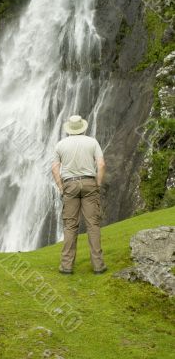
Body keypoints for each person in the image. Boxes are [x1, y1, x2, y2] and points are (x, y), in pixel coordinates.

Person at [52, 115, 107, 275]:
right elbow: (101, 164)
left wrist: (61, 186)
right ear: (83, 127)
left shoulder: (60, 145)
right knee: (93, 225)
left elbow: (55, 169)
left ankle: (66, 266)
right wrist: (98, 182)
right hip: (90, 182)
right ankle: (98, 265)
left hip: (70, 184)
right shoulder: (92, 142)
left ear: (69, 129)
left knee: (70, 226)